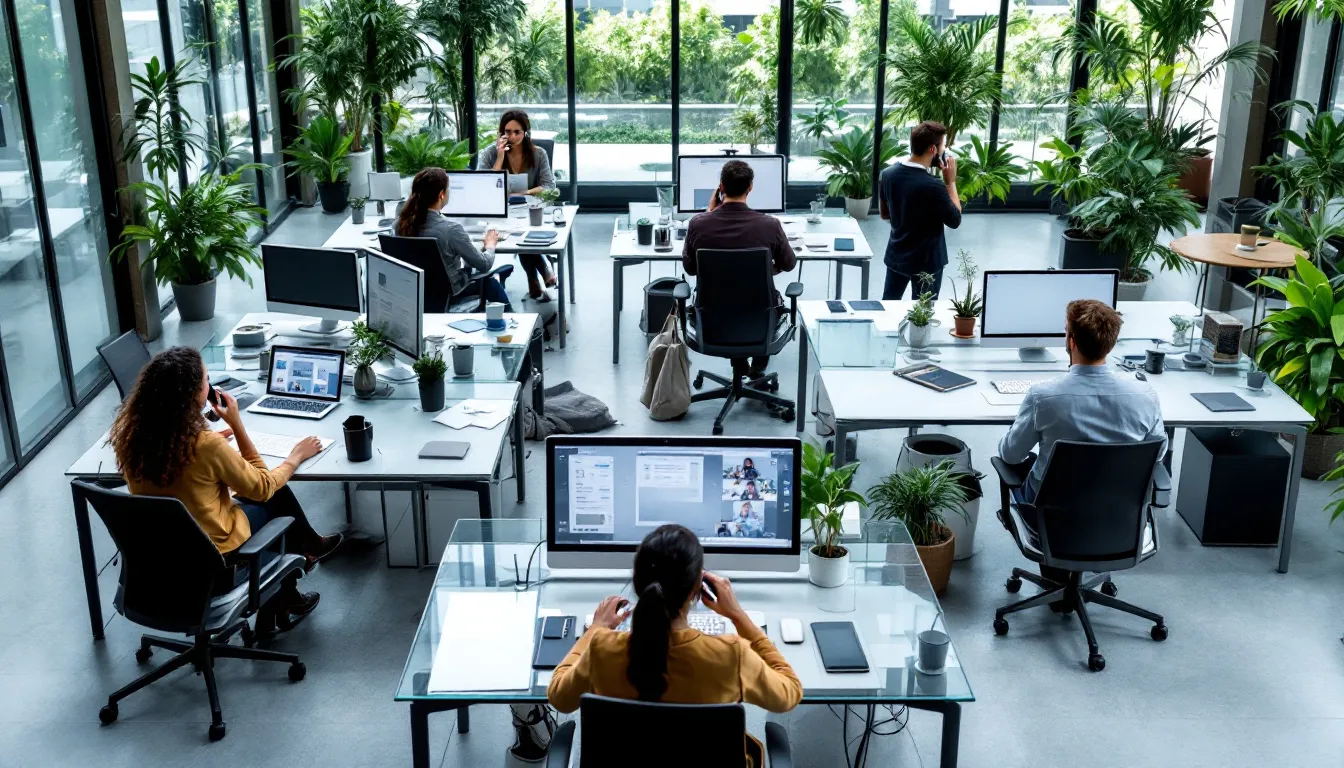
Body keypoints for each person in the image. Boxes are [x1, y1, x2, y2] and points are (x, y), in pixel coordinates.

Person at [107, 347, 342, 633]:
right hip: (214, 567)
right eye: (206, 380)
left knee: (260, 497)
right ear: (193, 394)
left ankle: (295, 579)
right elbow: (263, 487)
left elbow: (178, 480)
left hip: (160, 566)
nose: (210, 387)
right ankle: (300, 564)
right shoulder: (206, 446)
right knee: (275, 499)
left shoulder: (131, 437)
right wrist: (292, 454)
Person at [548, 525, 801, 766]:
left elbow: (560, 698)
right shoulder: (731, 656)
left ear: (636, 581)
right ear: (697, 588)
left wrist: (595, 628)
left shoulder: (602, 649)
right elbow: (789, 693)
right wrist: (738, 616)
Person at [998, 300, 1168, 505]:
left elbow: (1011, 455)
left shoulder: (1042, 397)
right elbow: (1157, 452)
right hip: (1120, 510)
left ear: (1071, 341)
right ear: (1111, 343)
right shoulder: (1145, 396)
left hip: (1051, 512)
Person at [682, 159, 797, 379]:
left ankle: (741, 363)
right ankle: (757, 365)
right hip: (760, 321)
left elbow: (691, 269)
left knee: (728, 297)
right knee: (756, 299)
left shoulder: (698, 224)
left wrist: (710, 213)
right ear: (750, 187)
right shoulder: (770, 225)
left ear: (721, 187)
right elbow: (789, 264)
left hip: (712, 321)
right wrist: (766, 269)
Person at [396, 167, 512, 311]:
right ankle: (512, 320)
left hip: (414, 292)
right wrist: (490, 245)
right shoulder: (452, 230)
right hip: (450, 293)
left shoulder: (400, 225)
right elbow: (484, 264)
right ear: (441, 195)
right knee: (491, 283)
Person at [478, 109, 559, 302]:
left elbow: (549, 185)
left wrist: (523, 193)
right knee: (519, 235)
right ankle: (542, 270)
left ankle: (533, 278)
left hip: (531, 209)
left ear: (526, 132)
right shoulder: (491, 152)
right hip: (500, 210)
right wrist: (499, 158)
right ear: (501, 132)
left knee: (523, 234)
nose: (512, 137)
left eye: (517, 132)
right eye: (507, 132)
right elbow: (483, 182)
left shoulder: (538, 153)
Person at [878, 120, 962, 300]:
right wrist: (950, 183)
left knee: (888, 307)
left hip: (896, 256)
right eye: (943, 146)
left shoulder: (888, 174)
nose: (945, 150)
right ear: (933, 149)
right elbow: (955, 220)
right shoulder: (934, 186)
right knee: (923, 313)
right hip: (928, 263)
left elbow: (885, 214)